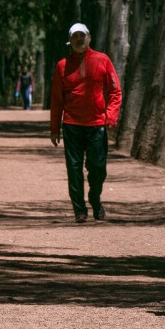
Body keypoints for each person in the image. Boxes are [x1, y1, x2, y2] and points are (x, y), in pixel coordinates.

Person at [50, 23, 122, 223]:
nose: (79, 40)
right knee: (73, 169)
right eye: (75, 37)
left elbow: (115, 91)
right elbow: (56, 100)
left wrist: (111, 116)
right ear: (70, 41)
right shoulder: (62, 65)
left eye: (82, 36)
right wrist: (54, 129)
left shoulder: (102, 60)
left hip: (96, 124)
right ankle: (79, 210)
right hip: (72, 125)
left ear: (89, 38)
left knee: (98, 167)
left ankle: (95, 198)